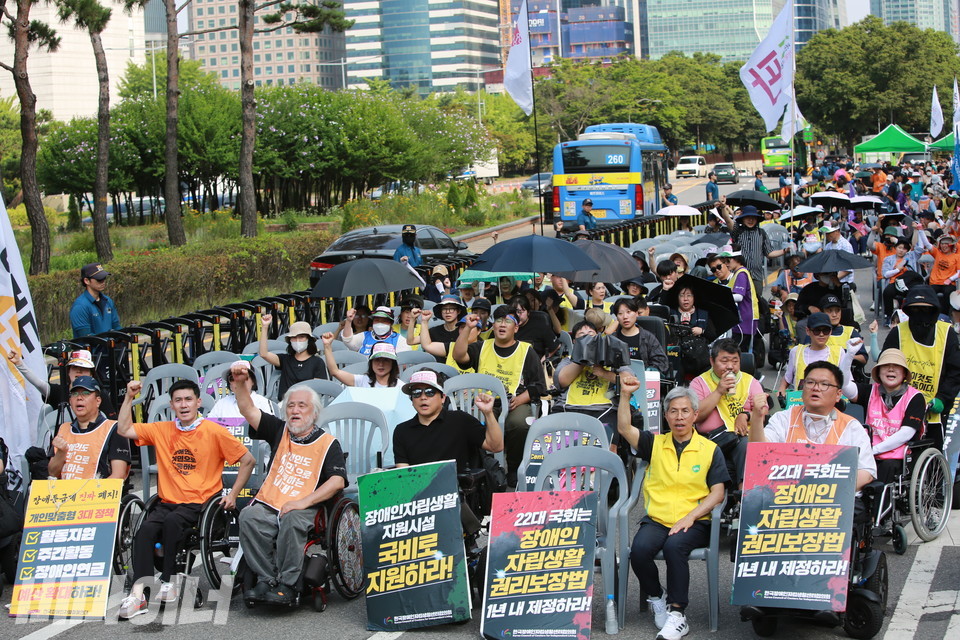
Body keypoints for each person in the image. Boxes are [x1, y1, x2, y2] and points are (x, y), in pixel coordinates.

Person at [116, 379, 255, 619]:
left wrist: (232, 494)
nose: (183, 404)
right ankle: (138, 594)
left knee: (173, 524)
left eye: (188, 399)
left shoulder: (213, 431)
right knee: (145, 530)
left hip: (199, 504)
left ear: (198, 402)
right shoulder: (162, 430)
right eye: (178, 400)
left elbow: (248, 460)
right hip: (166, 502)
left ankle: (169, 582)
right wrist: (128, 398)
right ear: (171, 404)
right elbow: (124, 430)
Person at [616, 377, 728, 640]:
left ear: (695, 414)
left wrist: (691, 516)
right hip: (658, 518)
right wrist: (624, 394)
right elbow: (623, 427)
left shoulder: (710, 449)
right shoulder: (654, 444)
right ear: (666, 416)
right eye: (674, 411)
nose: (679, 417)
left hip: (695, 520)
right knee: (640, 551)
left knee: (675, 546)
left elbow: (718, 492)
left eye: (685, 411)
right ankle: (657, 597)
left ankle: (677, 614)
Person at [228, 363, 348, 606]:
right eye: (290, 405)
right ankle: (267, 578)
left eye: (302, 406)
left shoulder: (328, 443)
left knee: (293, 519)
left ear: (314, 413)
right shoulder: (279, 430)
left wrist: (302, 502)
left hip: (307, 506)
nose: (295, 410)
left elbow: (336, 481)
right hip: (271, 501)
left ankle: (289, 584)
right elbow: (247, 409)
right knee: (249, 516)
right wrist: (240, 383)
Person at [749, 360, 877, 492]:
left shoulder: (851, 427)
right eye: (810, 382)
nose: (816, 388)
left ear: (838, 394)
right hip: (785, 499)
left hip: (835, 500)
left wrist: (826, 491)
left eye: (824, 384)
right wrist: (757, 417)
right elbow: (760, 454)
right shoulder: (784, 418)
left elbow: (866, 473)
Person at [452, 308, 546, 485]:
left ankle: (513, 468)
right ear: (492, 326)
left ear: (516, 328)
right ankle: (481, 467)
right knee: (470, 422)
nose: (503, 324)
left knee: (518, 424)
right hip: (484, 402)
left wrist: (521, 399)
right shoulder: (482, 346)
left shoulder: (526, 350)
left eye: (508, 321)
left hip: (514, 403)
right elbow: (459, 356)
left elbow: (539, 385)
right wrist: (467, 329)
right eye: (499, 320)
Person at [882, 285, 960, 447]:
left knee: (932, 453)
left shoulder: (946, 333)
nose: (921, 316)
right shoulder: (898, 333)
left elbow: (956, 371)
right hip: (899, 406)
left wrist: (943, 399)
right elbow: (884, 365)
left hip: (934, 407)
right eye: (916, 310)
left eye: (926, 310)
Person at [842, 349, 925, 484]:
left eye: (896, 366)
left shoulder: (915, 397)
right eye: (886, 366)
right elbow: (844, 385)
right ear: (879, 372)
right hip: (868, 451)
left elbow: (906, 433)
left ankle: (880, 504)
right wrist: (849, 356)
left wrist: (874, 450)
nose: (891, 370)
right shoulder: (870, 391)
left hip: (897, 455)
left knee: (887, 467)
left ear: (904, 373)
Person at [393, 370, 503, 472]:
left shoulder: (461, 420)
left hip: (460, 488)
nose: (423, 397)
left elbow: (495, 446)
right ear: (412, 400)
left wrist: (488, 413)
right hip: (419, 489)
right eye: (416, 393)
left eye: (429, 392)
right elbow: (404, 475)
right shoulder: (402, 431)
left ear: (443, 398)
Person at [689, 340, 762, 487]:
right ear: (712, 361)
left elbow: (762, 412)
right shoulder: (699, 382)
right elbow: (695, 416)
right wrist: (719, 391)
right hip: (711, 439)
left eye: (735, 361)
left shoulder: (750, 381)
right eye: (724, 361)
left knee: (747, 446)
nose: (730, 366)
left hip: (741, 438)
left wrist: (745, 415)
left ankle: (744, 496)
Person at [553, 321, 632, 432]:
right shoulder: (568, 360)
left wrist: (604, 373)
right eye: (582, 335)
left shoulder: (610, 357)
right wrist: (582, 359)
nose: (587, 338)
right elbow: (561, 381)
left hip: (603, 409)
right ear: (575, 341)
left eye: (591, 334)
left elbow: (628, 380)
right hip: (569, 408)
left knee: (610, 443)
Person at [48, 376, 130, 480]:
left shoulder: (113, 429)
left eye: (86, 393)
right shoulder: (63, 429)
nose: (79, 397)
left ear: (98, 401)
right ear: (70, 401)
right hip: (65, 493)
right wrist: (61, 452)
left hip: (95, 492)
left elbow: (119, 475)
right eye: (75, 394)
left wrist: (91, 493)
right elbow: (52, 473)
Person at [6, 347, 116, 422]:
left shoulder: (100, 395)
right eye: (75, 368)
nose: (79, 371)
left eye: (84, 369)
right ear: (68, 372)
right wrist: (19, 364)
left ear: (91, 374)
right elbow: (38, 384)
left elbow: (112, 424)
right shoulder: (59, 391)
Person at [777, 312, 856, 400]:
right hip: (800, 404)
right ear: (808, 331)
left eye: (825, 330)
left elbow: (847, 382)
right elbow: (787, 378)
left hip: (830, 405)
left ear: (830, 332)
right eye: (817, 330)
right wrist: (781, 389)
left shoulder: (838, 352)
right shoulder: (796, 351)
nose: (821, 334)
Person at [260, 316, 328, 398]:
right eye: (294, 337)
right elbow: (264, 354)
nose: (297, 340)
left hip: (307, 403)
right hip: (286, 403)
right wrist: (265, 327)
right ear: (290, 341)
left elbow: (319, 389)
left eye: (301, 337)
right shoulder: (285, 359)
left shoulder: (317, 362)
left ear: (309, 339)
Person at [722, 205, 786, 289]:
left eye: (753, 218)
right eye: (747, 217)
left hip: (757, 276)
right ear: (743, 219)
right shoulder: (738, 231)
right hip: (740, 274)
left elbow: (769, 253)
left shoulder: (761, 233)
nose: (750, 220)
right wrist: (723, 207)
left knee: (757, 300)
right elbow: (728, 221)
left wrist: (784, 250)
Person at [611, 298, 669, 374]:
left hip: (644, 380)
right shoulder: (612, 339)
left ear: (636, 313)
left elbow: (662, 363)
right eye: (620, 313)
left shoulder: (648, 337)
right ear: (616, 317)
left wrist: (649, 371)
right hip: (618, 381)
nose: (625, 317)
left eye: (628, 312)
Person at [721, 250, 761, 354]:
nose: (726, 264)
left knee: (740, 351)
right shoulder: (738, 273)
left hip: (745, 318)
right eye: (724, 261)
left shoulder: (741, 274)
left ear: (737, 260)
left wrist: (722, 296)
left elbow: (739, 296)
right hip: (742, 318)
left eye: (728, 261)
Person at [323, 335, 400, 388]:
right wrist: (327, 346)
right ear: (371, 362)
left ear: (392, 363)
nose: (381, 364)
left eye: (386, 360)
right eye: (377, 360)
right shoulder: (362, 381)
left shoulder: (400, 387)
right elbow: (334, 372)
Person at [208, 360, 275, 419]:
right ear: (229, 384)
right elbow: (209, 428)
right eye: (232, 379)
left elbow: (270, 430)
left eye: (244, 377)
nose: (239, 381)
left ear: (253, 381)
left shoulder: (263, 403)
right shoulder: (221, 404)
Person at [70, 263, 120, 338]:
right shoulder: (80, 306)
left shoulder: (108, 301)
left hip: (110, 348)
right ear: (86, 281)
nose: (103, 282)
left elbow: (117, 327)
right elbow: (86, 337)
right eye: (99, 279)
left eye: (104, 278)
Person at [341, 305, 411, 356]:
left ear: (391, 323)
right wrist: (349, 321)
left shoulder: (399, 340)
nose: (380, 323)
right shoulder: (365, 336)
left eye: (384, 321)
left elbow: (403, 363)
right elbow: (348, 341)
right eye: (377, 320)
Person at [819, 294, 867, 365]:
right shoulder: (815, 332)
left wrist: (846, 355)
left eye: (838, 310)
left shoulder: (850, 332)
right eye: (829, 311)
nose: (834, 314)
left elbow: (863, 358)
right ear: (822, 313)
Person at [927, 234, 960, 314]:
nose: (944, 246)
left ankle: (945, 316)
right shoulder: (937, 253)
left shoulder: (957, 256)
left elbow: (959, 272)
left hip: (949, 283)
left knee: (948, 293)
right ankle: (931, 314)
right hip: (935, 282)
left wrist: (950, 279)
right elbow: (927, 244)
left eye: (946, 243)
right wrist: (920, 230)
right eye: (942, 243)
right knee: (929, 292)